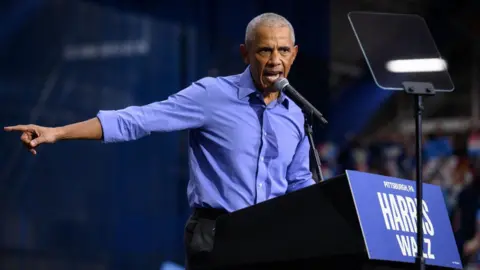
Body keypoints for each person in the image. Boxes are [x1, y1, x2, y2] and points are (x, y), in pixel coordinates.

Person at [4, 13, 315, 269]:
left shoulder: (297, 114)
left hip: (271, 239)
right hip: (218, 236)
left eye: (283, 51)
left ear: (295, 54)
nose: (275, 60)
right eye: (265, 50)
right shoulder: (213, 95)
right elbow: (138, 119)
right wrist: (57, 132)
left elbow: (299, 181)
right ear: (245, 53)